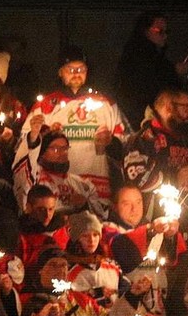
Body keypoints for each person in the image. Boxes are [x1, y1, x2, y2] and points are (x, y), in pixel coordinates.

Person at [17, 44, 126, 210]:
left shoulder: (106, 104)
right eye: (70, 69)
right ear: (60, 72)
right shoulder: (45, 105)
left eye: (81, 69)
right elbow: (24, 146)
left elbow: (125, 146)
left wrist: (110, 143)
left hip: (97, 193)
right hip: (57, 194)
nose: (76, 74)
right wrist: (45, 136)